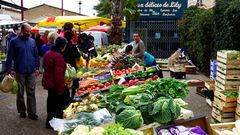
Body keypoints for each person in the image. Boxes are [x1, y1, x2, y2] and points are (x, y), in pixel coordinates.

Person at [6, 23, 39, 120]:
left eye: (30, 31)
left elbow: (36, 56)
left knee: (31, 92)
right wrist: (10, 69)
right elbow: (10, 56)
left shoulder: (32, 41)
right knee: (20, 93)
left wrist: (37, 68)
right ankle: (22, 111)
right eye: (27, 31)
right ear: (22, 30)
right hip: (19, 71)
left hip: (31, 71)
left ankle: (32, 112)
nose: (29, 33)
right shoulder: (14, 41)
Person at [42, 37, 67, 129]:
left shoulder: (48, 53)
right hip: (55, 83)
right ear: (63, 46)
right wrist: (61, 89)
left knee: (51, 102)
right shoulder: (59, 56)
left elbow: (45, 66)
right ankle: (57, 123)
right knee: (59, 104)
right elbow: (59, 75)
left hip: (48, 81)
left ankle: (49, 122)